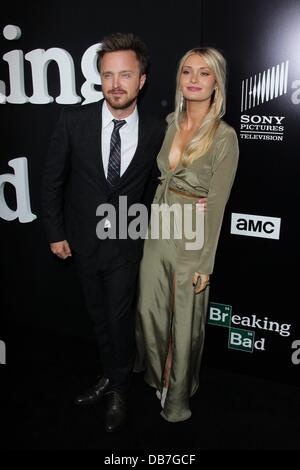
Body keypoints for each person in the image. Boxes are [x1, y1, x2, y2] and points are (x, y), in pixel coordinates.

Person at [42, 32, 165, 432]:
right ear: (99, 78)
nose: (115, 84)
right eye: (108, 75)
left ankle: (119, 389)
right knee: (98, 318)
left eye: (125, 74)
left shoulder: (155, 130)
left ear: (141, 80)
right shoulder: (73, 121)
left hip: (126, 245)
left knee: (117, 318)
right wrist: (55, 232)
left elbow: (164, 183)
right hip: (82, 241)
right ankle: (112, 375)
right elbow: (52, 181)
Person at [135, 47, 239, 422]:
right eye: (187, 72)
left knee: (185, 322)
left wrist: (205, 262)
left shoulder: (224, 137)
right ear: (179, 79)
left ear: (216, 83)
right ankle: (156, 374)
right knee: (149, 310)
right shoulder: (169, 122)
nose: (194, 80)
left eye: (204, 73)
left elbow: (218, 202)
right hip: (160, 226)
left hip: (194, 234)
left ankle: (176, 397)